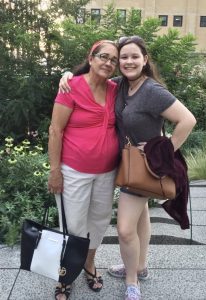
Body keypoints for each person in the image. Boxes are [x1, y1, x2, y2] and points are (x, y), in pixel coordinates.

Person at [59, 36, 196, 300]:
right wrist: (67, 75)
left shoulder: (151, 91)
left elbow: (187, 120)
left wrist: (164, 149)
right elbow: (92, 77)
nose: (128, 61)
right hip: (130, 165)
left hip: (145, 166)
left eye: (134, 56)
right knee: (141, 216)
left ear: (145, 60)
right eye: (124, 57)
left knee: (124, 229)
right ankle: (140, 266)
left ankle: (132, 281)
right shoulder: (121, 86)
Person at [48, 40, 119, 300]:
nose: (108, 62)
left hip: (107, 172)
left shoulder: (116, 89)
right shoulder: (71, 87)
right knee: (73, 226)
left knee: (99, 223)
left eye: (113, 59)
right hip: (74, 171)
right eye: (103, 56)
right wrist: (55, 170)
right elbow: (55, 130)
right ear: (91, 58)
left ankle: (89, 265)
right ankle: (66, 274)